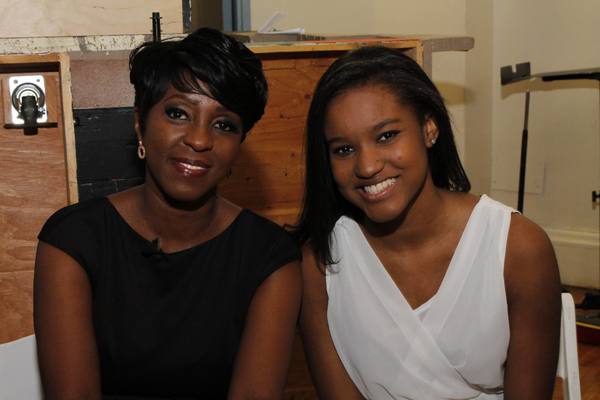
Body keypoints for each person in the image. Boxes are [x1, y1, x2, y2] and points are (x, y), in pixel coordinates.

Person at [34, 28, 301, 399]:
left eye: (224, 125)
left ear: (237, 147)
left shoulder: (270, 258)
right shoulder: (75, 241)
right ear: (140, 123)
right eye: (178, 113)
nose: (199, 139)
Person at [294, 46, 561, 399]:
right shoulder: (321, 264)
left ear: (429, 128)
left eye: (386, 135)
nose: (367, 166)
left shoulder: (518, 248)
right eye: (343, 149)